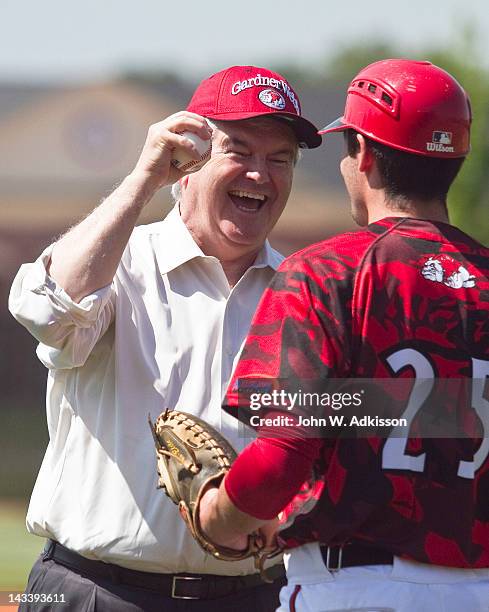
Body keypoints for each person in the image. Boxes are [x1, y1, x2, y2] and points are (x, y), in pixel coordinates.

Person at [8, 64, 321, 611]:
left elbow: (351, 423)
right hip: (95, 591)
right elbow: (45, 310)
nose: (259, 174)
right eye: (240, 150)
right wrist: (143, 179)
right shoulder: (120, 260)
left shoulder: (306, 292)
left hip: (253, 596)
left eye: (280, 160)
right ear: (187, 165)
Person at [199, 59, 489, 611]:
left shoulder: (326, 271)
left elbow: (286, 449)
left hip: (358, 587)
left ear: (365, 154)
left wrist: (224, 516)